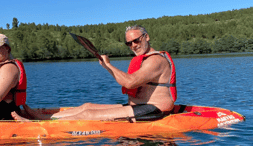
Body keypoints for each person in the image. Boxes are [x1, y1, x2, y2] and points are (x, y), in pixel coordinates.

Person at [13, 25, 176, 122]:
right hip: (139, 107)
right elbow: (128, 81)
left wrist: (109, 65)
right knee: (87, 106)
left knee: (88, 114)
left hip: (154, 110)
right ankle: (39, 115)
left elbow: (130, 82)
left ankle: (40, 122)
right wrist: (106, 67)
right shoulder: (146, 59)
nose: (133, 45)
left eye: (137, 40)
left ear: (146, 37)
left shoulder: (155, 60)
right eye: (129, 43)